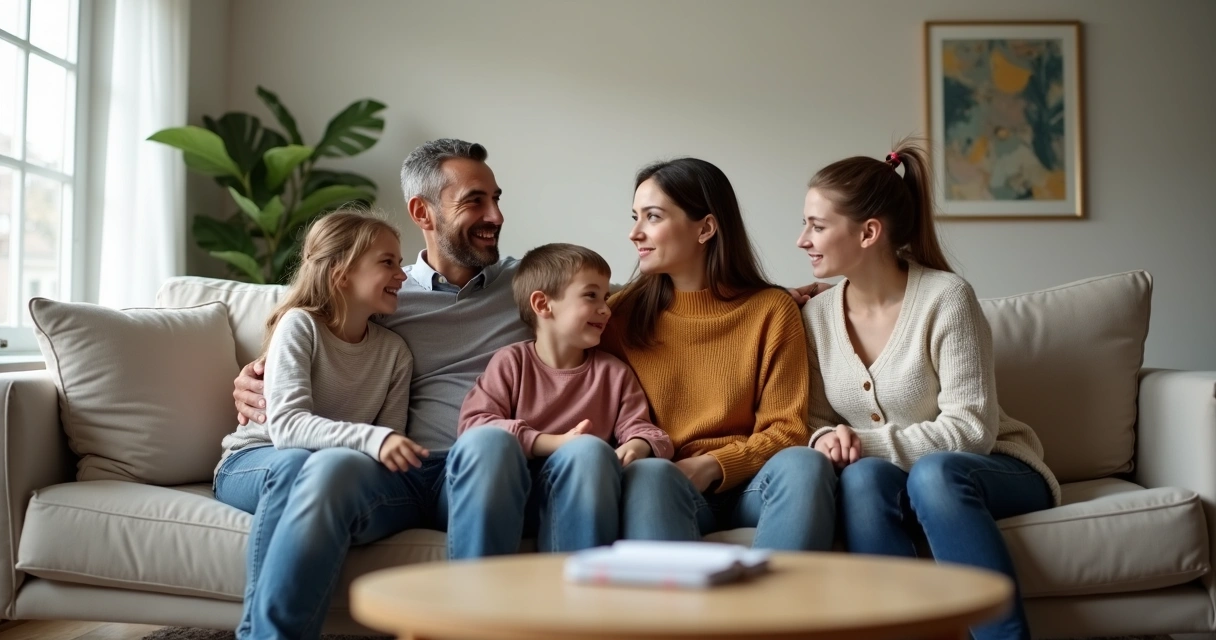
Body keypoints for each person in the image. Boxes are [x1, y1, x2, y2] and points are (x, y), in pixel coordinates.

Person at [231, 139, 534, 637]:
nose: (496, 216)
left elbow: (596, 304)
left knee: (488, 446)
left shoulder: (529, 286)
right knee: (318, 466)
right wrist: (256, 375)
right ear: (423, 212)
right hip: (397, 472)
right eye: (474, 201)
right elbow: (313, 337)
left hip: (476, 462)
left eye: (496, 199)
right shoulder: (386, 297)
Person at [797, 140, 1060, 640]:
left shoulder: (946, 298)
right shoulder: (815, 317)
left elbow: (971, 430)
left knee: (933, 474)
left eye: (817, 226)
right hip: (894, 480)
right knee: (861, 480)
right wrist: (826, 440)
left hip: (991, 469)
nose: (802, 240)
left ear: (869, 232)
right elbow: (815, 420)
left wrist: (862, 443)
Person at [602, 157, 837, 551]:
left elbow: (787, 429)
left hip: (753, 484)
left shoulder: (772, 310)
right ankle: (678, 592)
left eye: (653, 217)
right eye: (635, 217)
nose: (634, 233)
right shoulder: (618, 317)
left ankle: (787, 593)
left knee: (806, 463)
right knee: (650, 476)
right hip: (668, 484)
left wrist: (712, 465)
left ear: (706, 228)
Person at [215, 211, 426, 639]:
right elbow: (287, 428)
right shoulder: (300, 326)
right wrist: (373, 438)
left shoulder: (395, 353)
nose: (402, 275)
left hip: (321, 472)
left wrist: (378, 447)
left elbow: (384, 454)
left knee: (311, 469)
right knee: (295, 463)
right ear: (342, 274)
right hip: (253, 461)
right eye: (387, 262)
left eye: (399, 262)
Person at [454, 243, 674, 556]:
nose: (606, 309)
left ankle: (581, 580)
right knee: (495, 442)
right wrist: (551, 442)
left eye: (606, 297)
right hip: (510, 495)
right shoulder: (511, 362)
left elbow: (645, 430)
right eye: (591, 296)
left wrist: (638, 445)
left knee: (588, 451)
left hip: (578, 495)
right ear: (543, 304)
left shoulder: (614, 373)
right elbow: (474, 426)